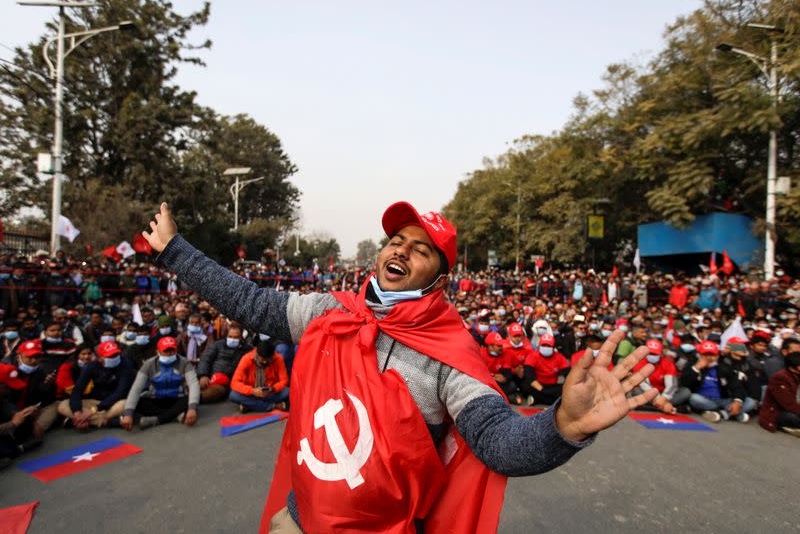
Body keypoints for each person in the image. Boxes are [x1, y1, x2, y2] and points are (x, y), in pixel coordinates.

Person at [143, 201, 657, 533]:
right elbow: (250, 302)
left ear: (440, 276)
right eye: (395, 241)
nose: (401, 250)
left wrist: (562, 427)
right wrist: (174, 252)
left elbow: (499, 444)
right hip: (299, 523)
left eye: (421, 248)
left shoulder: (450, 355)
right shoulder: (330, 311)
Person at [121, 336, 199, 430]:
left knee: (192, 399)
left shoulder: (184, 362)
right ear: (157, 351)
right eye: (166, 351)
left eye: (172, 350)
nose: (170, 354)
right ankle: (175, 416)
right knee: (137, 402)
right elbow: (136, 388)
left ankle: (158, 419)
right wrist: (128, 414)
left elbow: (193, 384)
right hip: (155, 399)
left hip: (177, 398)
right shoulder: (148, 364)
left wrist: (192, 409)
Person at [58, 340, 135, 430]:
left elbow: (120, 392)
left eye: (116, 355)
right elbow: (77, 390)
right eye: (110, 356)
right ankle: (106, 421)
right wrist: (77, 411)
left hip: (114, 402)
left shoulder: (126, 364)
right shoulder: (91, 366)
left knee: (126, 404)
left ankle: (82, 421)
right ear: (99, 358)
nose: (115, 358)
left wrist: (93, 410)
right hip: (94, 401)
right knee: (63, 405)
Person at [680, 340, 756, 423]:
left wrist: (737, 402)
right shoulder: (692, 365)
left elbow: (737, 386)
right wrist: (696, 368)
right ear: (700, 355)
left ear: (717, 356)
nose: (709, 357)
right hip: (703, 398)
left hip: (723, 400)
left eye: (712, 355)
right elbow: (684, 383)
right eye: (705, 354)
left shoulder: (724, 367)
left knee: (750, 402)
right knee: (693, 398)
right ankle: (729, 414)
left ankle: (720, 413)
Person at [229, 339, 289, 413]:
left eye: (268, 359)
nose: (265, 362)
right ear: (257, 354)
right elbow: (234, 383)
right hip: (251, 393)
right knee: (233, 395)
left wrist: (273, 389)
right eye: (263, 359)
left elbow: (284, 380)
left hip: (269, 392)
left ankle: (250, 405)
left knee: (287, 391)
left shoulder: (278, 359)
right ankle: (273, 406)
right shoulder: (246, 359)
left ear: (272, 356)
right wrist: (253, 391)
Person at [197, 323, 250, 403]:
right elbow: (205, 359)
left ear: (241, 338)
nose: (232, 339)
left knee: (214, 392)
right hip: (210, 376)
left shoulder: (246, 349)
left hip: (225, 382)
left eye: (236, 337)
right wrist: (203, 375)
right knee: (194, 386)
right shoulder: (217, 345)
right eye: (230, 336)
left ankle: (193, 401)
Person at [630, 339, 686, 414]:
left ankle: (655, 406)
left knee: (686, 392)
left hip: (664, 393)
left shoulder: (667, 363)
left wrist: (664, 398)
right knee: (636, 391)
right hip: (648, 392)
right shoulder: (640, 363)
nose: (652, 356)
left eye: (655, 354)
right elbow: (643, 384)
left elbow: (672, 385)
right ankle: (665, 407)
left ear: (661, 354)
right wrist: (659, 399)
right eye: (650, 353)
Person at [758, 352, 800, 436]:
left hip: (795, 407)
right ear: (792, 368)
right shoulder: (780, 378)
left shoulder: (796, 375)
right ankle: (789, 427)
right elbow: (788, 404)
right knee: (793, 418)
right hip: (778, 411)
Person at [522, 333, 569, 406]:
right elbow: (529, 376)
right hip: (537, 385)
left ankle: (537, 399)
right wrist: (542, 390)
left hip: (553, 385)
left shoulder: (560, 357)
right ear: (539, 346)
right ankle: (554, 402)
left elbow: (568, 374)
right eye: (544, 345)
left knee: (564, 390)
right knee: (525, 386)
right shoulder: (532, 356)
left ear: (553, 347)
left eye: (548, 346)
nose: (546, 347)